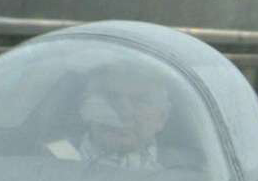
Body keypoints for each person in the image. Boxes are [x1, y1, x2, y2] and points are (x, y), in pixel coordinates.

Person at [45, 62, 173, 168]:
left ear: (162, 117)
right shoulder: (43, 160)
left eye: (140, 101)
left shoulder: (187, 173)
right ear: (85, 108)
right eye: (111, 98)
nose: (124, 114)